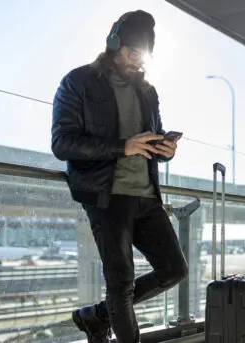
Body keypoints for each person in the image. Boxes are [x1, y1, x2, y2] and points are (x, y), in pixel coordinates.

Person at [51, 10, 188, 343]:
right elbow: (62, 143)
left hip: (147, 195)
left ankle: (96, 316)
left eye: (143, 56)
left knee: (174, 270)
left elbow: (149, 138)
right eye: (132, 52)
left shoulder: (148, 91)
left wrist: (163, 148)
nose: (136, 62)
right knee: (121, 281)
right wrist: (122, 146)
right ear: (114, 43)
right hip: (106, 195)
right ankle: (106, 321)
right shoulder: (78, 82)